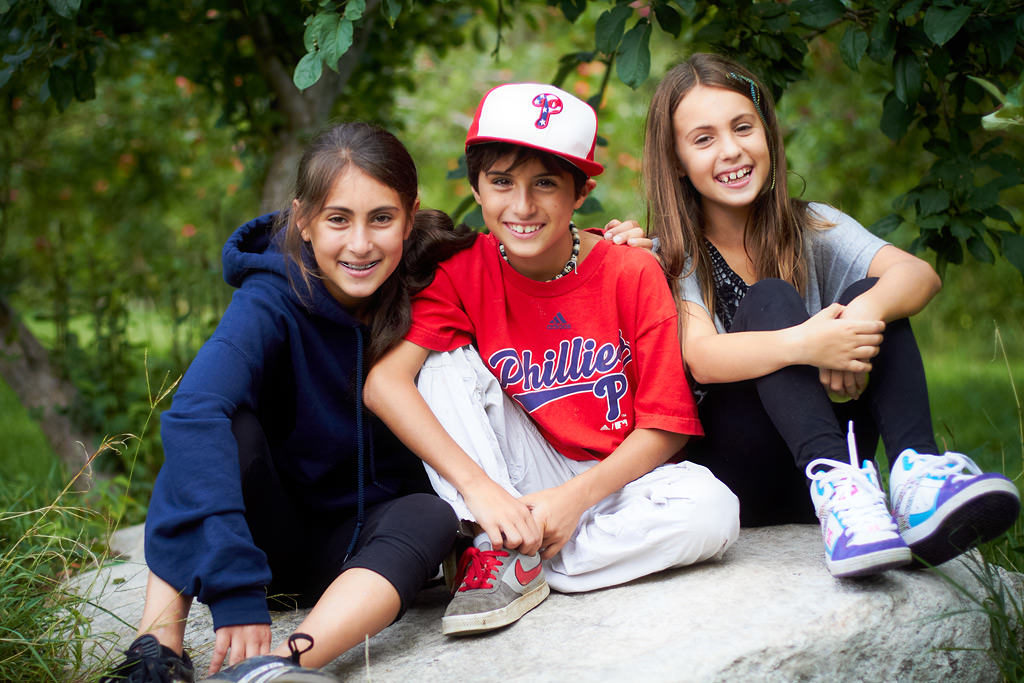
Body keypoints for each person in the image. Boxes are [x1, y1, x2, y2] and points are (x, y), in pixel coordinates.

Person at [101, 122, 474, 683]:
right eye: (337, 219)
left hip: (362, 560)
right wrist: (234, 587)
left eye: (382, 217)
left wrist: (598, 244)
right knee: (218, 424)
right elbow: (195, 412)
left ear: (410, 213)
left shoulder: (435, 271)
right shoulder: (271, 296)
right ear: (304, 219)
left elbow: (525, 259)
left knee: (432, 515)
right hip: (262, 539)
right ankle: (156, 647)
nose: (360, 243)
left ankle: (279, 665)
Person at [364, 82, 740, 637]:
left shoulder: (630, 271)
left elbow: (665, 427)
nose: (521, 206)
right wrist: (481, 491)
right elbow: (384, 385)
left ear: (580, 191)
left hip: (619, 485)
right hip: (517, 479)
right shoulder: (464, 271)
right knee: (442, 367)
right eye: (500, 182)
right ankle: (503, 540)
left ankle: (516, 561)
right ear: (476, 186)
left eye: (545, 183)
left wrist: (571, 502)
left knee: (714, 509)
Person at [642, 52, 1020, 578]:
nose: (731, 150)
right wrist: (810, 344)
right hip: (739, 471)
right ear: (677, 159)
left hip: (841, 472)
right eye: (704, 139)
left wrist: (860, 314)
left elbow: (919, 276)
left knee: (876, 288)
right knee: (769, 298)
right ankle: (836, 485)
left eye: (743, 127)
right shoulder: (671, 255)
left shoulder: (812, 225)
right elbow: (702, 358)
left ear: (768, 134)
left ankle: (917, 481)